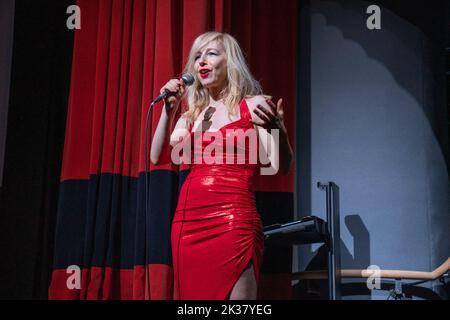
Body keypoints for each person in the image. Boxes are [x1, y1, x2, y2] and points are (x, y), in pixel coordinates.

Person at [150, 31, 293, 300]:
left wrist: (279, 133)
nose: (201, 62)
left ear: (231, 62)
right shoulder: (191, 115)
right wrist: (168, 111)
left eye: (211, 53)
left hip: (234, 220)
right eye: (197, 57)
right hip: (188, 223)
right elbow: (157, 157)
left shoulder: (255, 106)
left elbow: (280, 165)